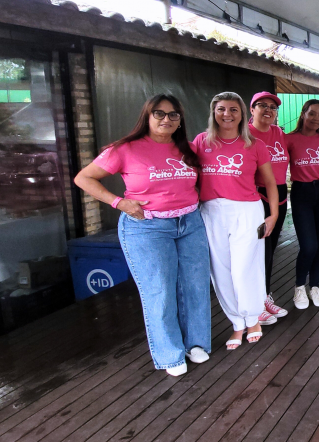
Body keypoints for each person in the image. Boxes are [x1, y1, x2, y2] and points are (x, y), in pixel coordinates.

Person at [74, 94, 210, 376]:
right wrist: (118, 202)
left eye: (173, 114)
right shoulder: (125, 149)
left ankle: (195, 343)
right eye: (159, 113)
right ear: (147, 116)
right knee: (159, 291)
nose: (166, 119)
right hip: (147, 227)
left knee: (195, 286)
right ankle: (170, 354)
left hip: (190, 223)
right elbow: (83, 178)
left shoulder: (186, 149)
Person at [194, 92, 279, 349]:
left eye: (233, 109)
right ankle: (237, 323)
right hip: (211, 211)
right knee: (221, 272)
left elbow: (271, 182)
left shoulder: (254, 144)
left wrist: (273, 214)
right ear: (213, 112)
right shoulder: (201, 142)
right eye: (221, 109)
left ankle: (253, 318)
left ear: (243, 113)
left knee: (245, 269)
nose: (227, 114)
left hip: (247, 211)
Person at [286, 99, 319, 309]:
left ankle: (314, 286)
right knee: (308, 245)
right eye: (312, 113)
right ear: (303, 113)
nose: (316, 118)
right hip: (301, 193)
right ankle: (299, 287)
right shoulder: (289, 139)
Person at [248, 92, 289, 322]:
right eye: (262, 105)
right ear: (251, 109)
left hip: (280, 197)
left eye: (273, 107)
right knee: (255, 250)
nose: (268, 110)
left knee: (269, 249)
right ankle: (253, 303)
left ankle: (264, 297)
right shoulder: (245, 134)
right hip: (256, 197)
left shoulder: (278, 133)